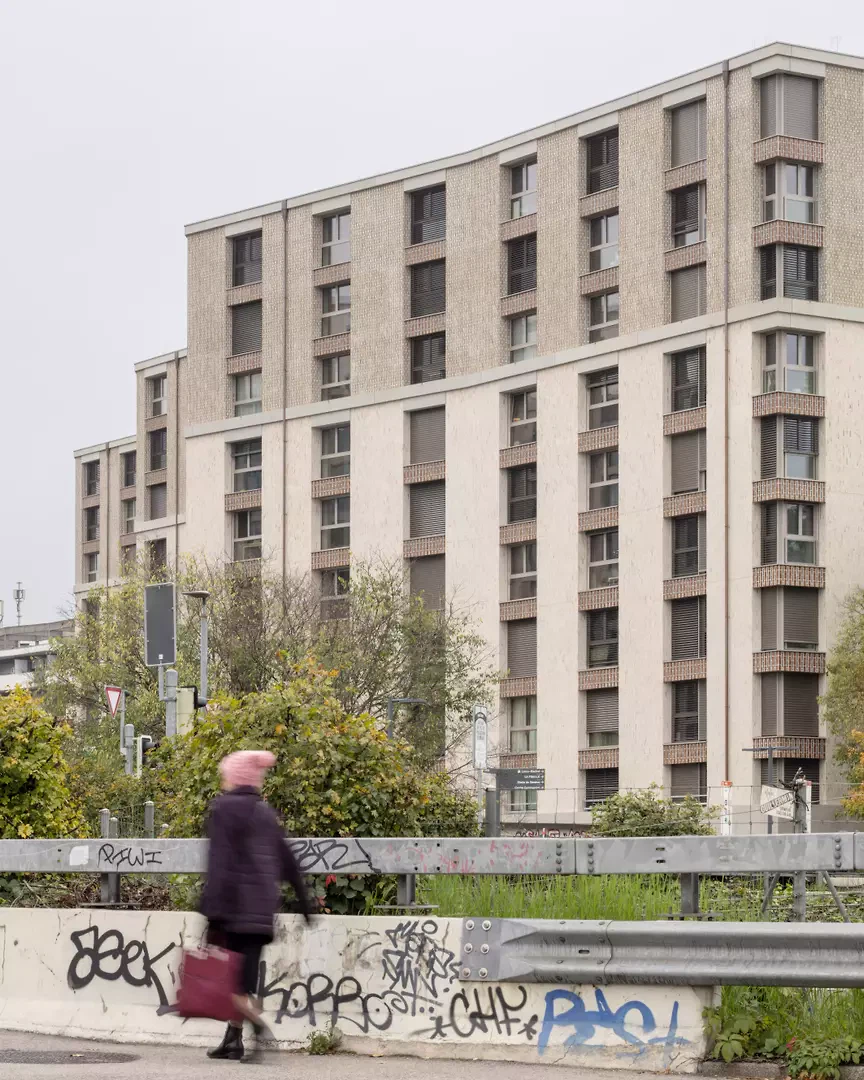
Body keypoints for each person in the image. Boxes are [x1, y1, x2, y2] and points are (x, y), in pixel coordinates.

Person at [199, 749, 312, 1063]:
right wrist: (305, 903)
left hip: (232, 910)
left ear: (233, 777)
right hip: (262, 912)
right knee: (244, 981)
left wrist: (211, 912)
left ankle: (259, 1029)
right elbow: (288, 860)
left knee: (231, 985)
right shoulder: (264, 811)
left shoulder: (223, 808)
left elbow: (219, 864)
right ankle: (233, 1041)